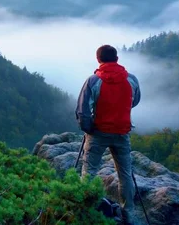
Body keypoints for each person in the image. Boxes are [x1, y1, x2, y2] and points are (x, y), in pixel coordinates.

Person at [75, 45, 141, 225]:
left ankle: (85, 210)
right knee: (125, 174)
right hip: (122, 132)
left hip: (98, 133)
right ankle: (128, 214)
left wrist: (88, 128)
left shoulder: (93, 81)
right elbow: (134, 100)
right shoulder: (131, 79)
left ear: (98, 60)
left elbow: (82, 110)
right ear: (117, 59)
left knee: (89, 172)